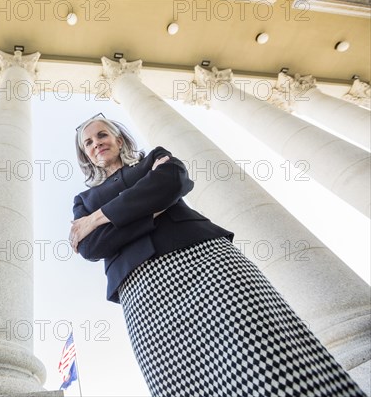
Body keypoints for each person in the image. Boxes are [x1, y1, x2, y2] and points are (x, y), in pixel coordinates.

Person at [69, 113, 366, 397]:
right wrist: (153, 210)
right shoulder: (83, 201)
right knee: (180, 378)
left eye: (102, 135)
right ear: (86, 155)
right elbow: (92, 247)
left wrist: (99, 218)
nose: (97, 143)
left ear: (119, 139)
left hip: (206, 261)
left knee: (264, 348)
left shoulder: (152, 160)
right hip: (141, 289)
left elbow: (171, 183)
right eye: (89, 143)